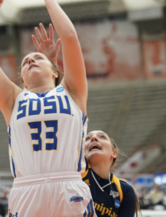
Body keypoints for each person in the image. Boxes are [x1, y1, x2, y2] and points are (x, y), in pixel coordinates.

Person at [0, 0, 93, 217]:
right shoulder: (13, 99)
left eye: (37, 57)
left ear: (55, 70)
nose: (29, 60)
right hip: (26, 190)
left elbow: (69, 37)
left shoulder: (73, 92)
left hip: (68, 186)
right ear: (23, 82)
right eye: (25, 61)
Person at [31, 24, 140, 217]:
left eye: (101, 137)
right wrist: (50, 64)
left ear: (114, 153)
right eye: (88, 138)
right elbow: (54, 113)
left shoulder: (124, 191)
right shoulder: (75, 173)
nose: (94, 139)